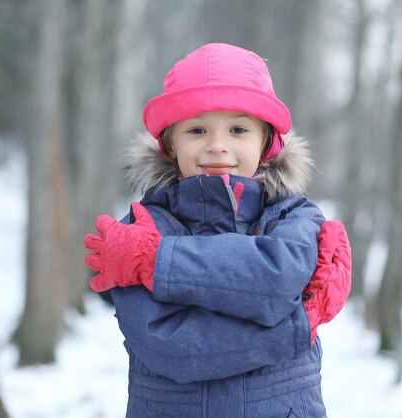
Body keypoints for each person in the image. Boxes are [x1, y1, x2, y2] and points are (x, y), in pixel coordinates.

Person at [84, 43, 352, 418]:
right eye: (196, 129)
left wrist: (155, 261)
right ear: (170, 144)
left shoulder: (295, 218)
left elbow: (274, 279)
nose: (217, 146)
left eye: (238, 129)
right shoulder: (139, 231)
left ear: (266, 142)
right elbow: (171, 347)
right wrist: (296, 325)